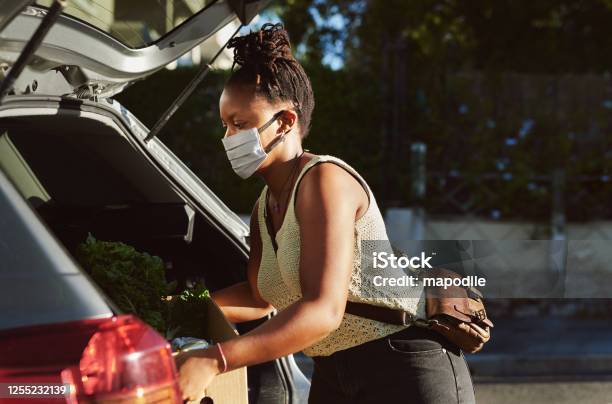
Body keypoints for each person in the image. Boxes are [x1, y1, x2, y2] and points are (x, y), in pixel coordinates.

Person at [175, 22, 478, 404]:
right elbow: (260, 297)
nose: (229, 138)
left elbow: (323, 310)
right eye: (225, 125)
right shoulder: (263, 205)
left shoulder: (323, 180)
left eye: (240, 124)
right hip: (334, 367)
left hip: (405, 361)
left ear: (285, 121)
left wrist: (215, 359)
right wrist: (177, 311)